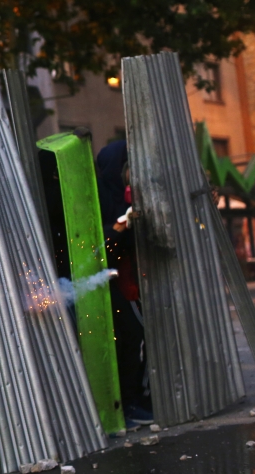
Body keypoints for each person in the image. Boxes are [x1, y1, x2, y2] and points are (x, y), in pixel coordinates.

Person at [96, 141, 152, 428]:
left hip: (125, 281)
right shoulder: (98, 199)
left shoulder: (120, 197)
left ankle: (134, 401)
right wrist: (121, 228)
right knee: (133, 337)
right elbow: (101, 246)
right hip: (115, 283)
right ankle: (129, 403)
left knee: (134, 339)